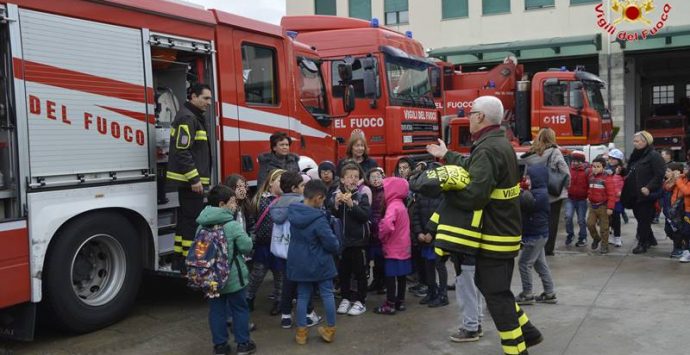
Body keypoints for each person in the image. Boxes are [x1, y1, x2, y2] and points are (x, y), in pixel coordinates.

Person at [427, 96, 542, 354]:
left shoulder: (488, 148)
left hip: (495, 234)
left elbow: (475, 195)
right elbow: (473, 167)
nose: (468, 117)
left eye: (470, 113)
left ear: (480, 117)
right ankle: (529, 333)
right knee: (492, 286)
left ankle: (517, 349)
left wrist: (446, 190)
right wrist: (447, 155)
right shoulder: (496, 143)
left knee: (496, 294)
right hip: (503, 230)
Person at [196, 185, 256, 355]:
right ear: (222, 204)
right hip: (233, 277)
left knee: (216, 311)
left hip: (211, 277)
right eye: (232, 202)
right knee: (239, 309)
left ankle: (220, 346)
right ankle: (243, 344)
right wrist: (250, 238)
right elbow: (246, 247)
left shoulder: (201, 225)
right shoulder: (232, 225)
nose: (235, 204)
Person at [288, 180, 340, 345]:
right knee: (327, 293)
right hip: (320, 262)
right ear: (318, 198)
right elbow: (331, 243)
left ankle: (302, 333)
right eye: (323, 199)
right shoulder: (318, 219)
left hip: (299, 261)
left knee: (302, 295)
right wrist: (336, 246)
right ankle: (330, 330)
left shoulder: (294, 212)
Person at [167, 83, 213, 271]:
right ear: (193, 96)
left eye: (210, 99)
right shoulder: (187, 118)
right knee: (192, 219)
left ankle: (180, 258)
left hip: (189, 181)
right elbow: (182, 151)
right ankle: (188, 261)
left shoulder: (192, 116)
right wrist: (194, 179)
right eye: (205, 98)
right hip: (190, 182)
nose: (209, 103)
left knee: (186, 219)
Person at [270, 171, 322, 328]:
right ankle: (308, 314)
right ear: (294, 188)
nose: (304, 188)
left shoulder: (276, 203)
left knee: (288, 283)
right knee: (305, 284)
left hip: (282, 251)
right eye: (302, 185)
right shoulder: (301, 202)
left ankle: (286, 316)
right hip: (300, 250)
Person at [520, 128, 570, 256]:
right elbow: (565, 171)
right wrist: (566, 185)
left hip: (536, 192)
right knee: (552, 222)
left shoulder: (531, 153)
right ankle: (548, 248)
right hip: (554, 194)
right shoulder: (555, 151)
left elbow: (526, 174)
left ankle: (535, 246)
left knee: (537, 219)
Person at [331, 163, 371, 316]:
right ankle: (346, 298)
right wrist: (336, 203)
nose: (353, 180)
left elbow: (364, 216)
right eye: (349, 177)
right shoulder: (337, 194)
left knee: (360, 272)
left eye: (356, 177)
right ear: (342, 179)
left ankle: (361, 301)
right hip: (343, 242)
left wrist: (351, 205)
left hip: (359, 242)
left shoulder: (362, 196)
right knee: (344, 272)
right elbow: (332, 214)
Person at [516, 165, 557, 305]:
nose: (527, 180)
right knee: (540, 264)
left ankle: (527, 294)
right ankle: (549, 292)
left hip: (535, 235)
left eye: (529, 178)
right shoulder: (539, 192)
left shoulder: (539, 195)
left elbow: (526, 204)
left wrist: (519, 194)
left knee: (524, 263)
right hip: (539, 234)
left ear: (537, 179)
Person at [621, 131, 666, 254]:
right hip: (634, 194)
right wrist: (622, 171)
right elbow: (631, 171)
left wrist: (649, 187)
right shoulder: (636, 155)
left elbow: (659, 175)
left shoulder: (654, 156)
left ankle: (643, 243)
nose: (634, 143)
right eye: (634, 141)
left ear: (645, 141)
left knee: (643, 220)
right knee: (641, 218)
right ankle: (650, 239)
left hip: (645, 195)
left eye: (637, 141)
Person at [246, 169, 284, 315]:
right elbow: (253, 220)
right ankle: (249, 298)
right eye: (280, 180)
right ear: (270, 183)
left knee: (280, 275)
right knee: (257, 274)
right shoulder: (260, 199)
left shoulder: (287, 200)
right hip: (263, 245)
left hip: (280, 245)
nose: (283, 184)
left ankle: (280, 301)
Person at [374, 177, 413, 314]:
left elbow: (387, 226)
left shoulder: (392, 206)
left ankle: (389, 304)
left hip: (393, 248)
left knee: (390, 276)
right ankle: (400, 302)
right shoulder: (402, 205)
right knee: (401, 276)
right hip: (404, 248)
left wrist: (380, 234)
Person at [412, 164, 448, 308]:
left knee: (440, 265)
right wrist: (419, 232)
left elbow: (443, 217)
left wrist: (431, 233)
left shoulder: (444, 195)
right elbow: (416, 216)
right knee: (428, 266)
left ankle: (443, 294)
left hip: (438, 238)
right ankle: (431, 291)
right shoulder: (421, 195)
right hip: (424, 238)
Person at [587, 158, 617, 254]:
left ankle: (604, 245)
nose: (595, 169)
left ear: (603, 167)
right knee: (590, 224)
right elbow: (589, 189)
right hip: (592, 206)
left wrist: (610, 207)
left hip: (603, 206)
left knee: (604, 228)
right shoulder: (591, 177)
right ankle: (596, 238)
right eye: (593, 166)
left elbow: (612, 194)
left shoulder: (607, 178)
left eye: (598, 167)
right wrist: (588, 196)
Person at [366, 167, 386, 294]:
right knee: (374, 258)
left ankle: (382, 283)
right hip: (371, 229)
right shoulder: (367, 191)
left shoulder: (386, 191)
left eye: (378, 176)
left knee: (381, 258)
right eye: (373, 177)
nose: (376, 179)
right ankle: (376, 281)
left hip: (381, 229)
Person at [564, 151, 589, 247]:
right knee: (568, 217)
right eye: (573, 161)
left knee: (581, 220)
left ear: (582, 162)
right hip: (570, 198)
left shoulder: (586, 171)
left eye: (577, 161)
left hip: (582, 200)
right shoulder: (569, 170)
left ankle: (582, 237)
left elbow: (589, 184)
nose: (574, 163)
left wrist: (589, 195)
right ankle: (570, 234)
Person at [663, 163, 685, 258]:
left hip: (677, 212)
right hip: (668, 212)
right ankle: (681, 244)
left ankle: (678, 248)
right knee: (668, 230)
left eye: (668, 171)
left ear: (675, 172)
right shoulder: (667, 182)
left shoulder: (680, 182)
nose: (665, 172)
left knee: (677, 231)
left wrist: (678, 179)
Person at [606, 149, 625, 248]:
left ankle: (617, 237)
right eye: (610, 158)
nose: (611, 160)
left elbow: (626, 183)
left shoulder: (623, 170)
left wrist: (622, 193)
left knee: (616, 218)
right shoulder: (606, 168)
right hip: (608, 198)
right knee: (609, 219)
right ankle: (611, 235)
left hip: (618, 199)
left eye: (614, 158)